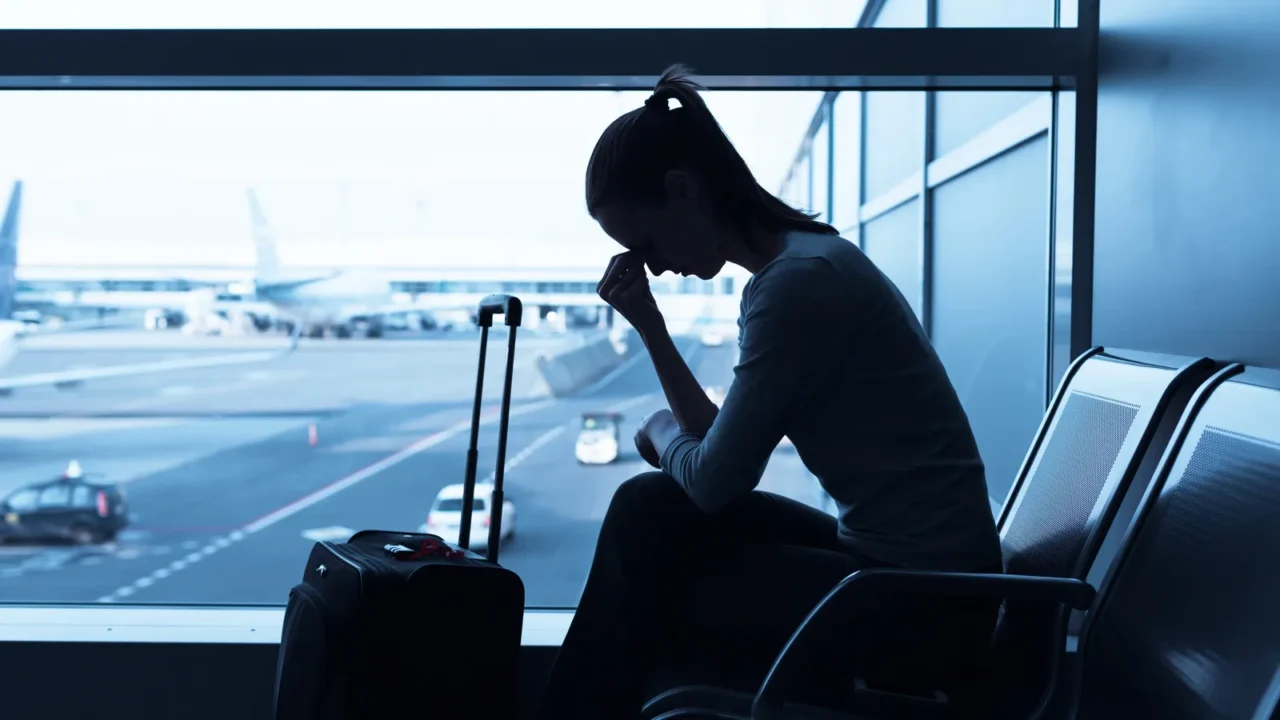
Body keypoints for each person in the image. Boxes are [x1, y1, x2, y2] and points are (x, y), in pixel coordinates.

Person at [536, 65, 1005, 720]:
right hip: (912, 580)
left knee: (650, 535)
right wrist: (651, 327)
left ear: (682, 189)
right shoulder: (806, 263)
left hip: (924, 610)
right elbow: (722, 453)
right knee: (649, 509)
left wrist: (661, 435)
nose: (654, 264)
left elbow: (713, 480)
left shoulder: (797, 285)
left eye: (643, 243)